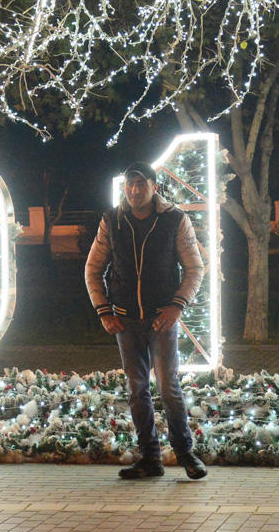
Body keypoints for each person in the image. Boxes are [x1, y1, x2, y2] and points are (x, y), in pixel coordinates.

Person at [84, 161, 208, 480]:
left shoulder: (174, 220)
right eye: (130, 184)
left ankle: (185, 453)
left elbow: (195, 267)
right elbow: (93, 269)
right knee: (137, 389)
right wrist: (104, 311)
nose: (135, 190)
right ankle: (150, 458)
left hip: (160, 320)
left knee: (169, 388)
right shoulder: (112, 221)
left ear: (154, 186)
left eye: (142, 184)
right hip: (125, 322)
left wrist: (177, 307)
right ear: (125, 187)